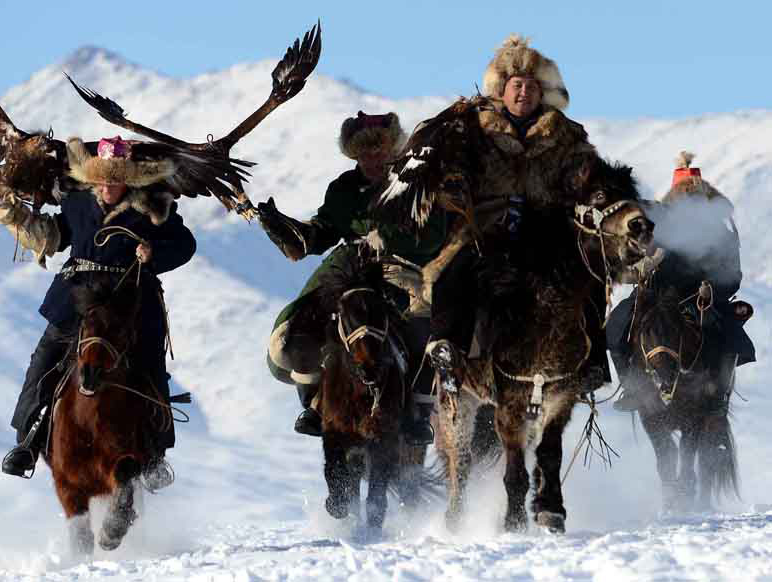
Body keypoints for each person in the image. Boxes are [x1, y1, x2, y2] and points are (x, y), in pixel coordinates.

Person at [0, 136, 196, 483]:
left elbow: (185, 244)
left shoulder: (153, 205)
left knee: (149, 364)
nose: (107, 186)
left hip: (129, 304)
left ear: (127, 180)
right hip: (75, 299)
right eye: (101, 179)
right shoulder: (76, 202)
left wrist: (154, 254)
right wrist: (21, 223)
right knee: (45, 360)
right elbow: (56, 236)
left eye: (114, 180)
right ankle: (27, 440)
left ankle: (156, 452)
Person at [422, 35, 611, 392]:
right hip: (485, 228)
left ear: (543, 93)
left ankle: (593, 360)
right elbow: (451, 170)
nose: (524, 92)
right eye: (517, 85)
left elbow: (589, 177)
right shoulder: (472, 128)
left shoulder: (568, 135)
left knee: (590, 273)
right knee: (453, 270)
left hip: (548, 232)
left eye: (531, 86)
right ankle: (447, 349)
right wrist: (455, 187)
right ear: (502, 89)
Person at [258, 112, 446, 443]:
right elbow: (324, 231)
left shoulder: (417, 184)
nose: (373, 160)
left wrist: (385, 237)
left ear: (392, 150)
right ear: (353, 154)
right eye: (365, 153)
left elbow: (433, 236)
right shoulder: (342, 188)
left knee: (425, 323)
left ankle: (419, 408)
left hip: (399, 266)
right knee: (297, 324)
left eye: (379, 152)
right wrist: (291, 233)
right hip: (347, 263)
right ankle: (313, 404)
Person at [608, 151, 755, 411]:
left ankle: (718, 392)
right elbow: (628, 253)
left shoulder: (721, 230)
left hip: (700, 297)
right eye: (682, 195)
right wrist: (642, 269)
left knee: (729, 335)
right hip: (654, 293)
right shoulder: (654, 221)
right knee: (617, 324)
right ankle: (632, 389)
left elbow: (733, 275)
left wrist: (712, 290)